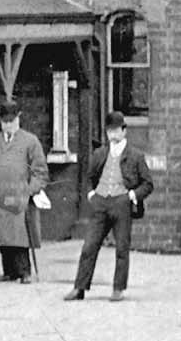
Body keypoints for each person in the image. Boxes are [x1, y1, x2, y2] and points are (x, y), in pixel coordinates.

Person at [63, 111, 155, 302]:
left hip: (122, 203)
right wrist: (91, 193)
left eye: (115, 131)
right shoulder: (100, 154)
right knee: (89, 245)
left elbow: (148, 184)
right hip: (101, 203)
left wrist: (132, 195)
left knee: (122, 246)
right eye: (109, 131)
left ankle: (118, 288)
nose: (112, 135)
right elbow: (89, 177)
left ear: (124, 131)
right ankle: (79, 287)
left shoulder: (135, 155)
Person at [0, 101, 48, 283]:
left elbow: (40, 171)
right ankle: (9, 271)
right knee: (1, 233)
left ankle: (24, 272)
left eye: (12, 121)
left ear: (18, 119)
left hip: (19, 195)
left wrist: (30, 189)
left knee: (19, 235)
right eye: (5, 121)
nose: (8, 125)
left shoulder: (30, 141)